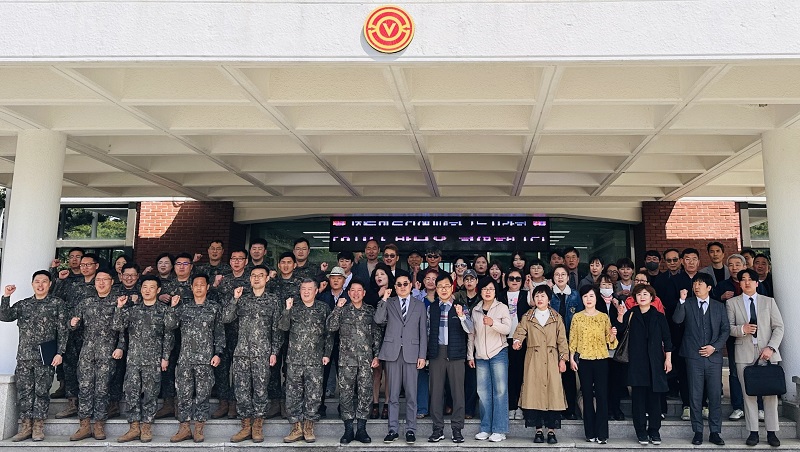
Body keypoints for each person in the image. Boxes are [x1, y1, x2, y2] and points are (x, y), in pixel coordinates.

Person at [1, 271, 67, 442]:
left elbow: (63, 330)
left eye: (44, 281)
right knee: (25, 392)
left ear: (50, 284)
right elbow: (4, 316)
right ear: (32, 284)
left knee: (41, 392)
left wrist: (60, 353)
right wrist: (6, 296)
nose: (40, 285)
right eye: (37, 281)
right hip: (24, 356)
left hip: (45, 357)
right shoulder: (24, 304)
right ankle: (25, 426)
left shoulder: (57, 303)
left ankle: (38, 426)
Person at [112, 275, 174, 443]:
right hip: (133, 359)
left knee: (151, 394)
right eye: (144, 287)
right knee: (131, 393)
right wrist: (119, 308)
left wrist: (165, 357)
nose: (147, 290)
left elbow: (168, 335)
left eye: (151, 287)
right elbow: (118, 327)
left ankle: (146, 427)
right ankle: (133, 427)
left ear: (158, 290)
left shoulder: (164, 310)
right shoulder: (133, 309)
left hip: (153, 360)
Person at [165, 273, 225, 443]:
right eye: (195, 285)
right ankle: (184, 428)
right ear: (191, 288)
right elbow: (170, 325)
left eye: (202, 285)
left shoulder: (214, 308)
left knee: (203, 395)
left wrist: (217, 353)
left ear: (207, 287)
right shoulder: (183, 307)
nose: (199, 288)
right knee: (183, 395)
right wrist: (172, 307)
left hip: (205, 360)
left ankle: (199, 428)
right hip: (185, 359)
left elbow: (219, 333)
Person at [225, 265, 281, 443]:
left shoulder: (273, 300)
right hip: (242, 352)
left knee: (260, 390)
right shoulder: (242, 299)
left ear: (266, 279)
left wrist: (274, 351)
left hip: (262, 353)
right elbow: (226, 318)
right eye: (254, 276)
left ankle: (257, 426)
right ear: (250, 279)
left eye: (260, 275)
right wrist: (234, 299)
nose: (256, 278)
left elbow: (277, 329)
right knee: (241, 391)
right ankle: (245, 426)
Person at [727, 268, 784, 447]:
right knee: (748, 394)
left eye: (750, 279)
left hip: (767, 352)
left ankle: (772, 432)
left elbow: (779, 327)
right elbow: (727, 327)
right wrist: (742, 330)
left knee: (770, 394)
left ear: (757, 283)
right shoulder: (732, 303)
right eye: (743, 279)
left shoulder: (768, 301)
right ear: (739, 283)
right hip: (743, 352)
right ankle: (753, 432)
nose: (747, 282)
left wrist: (771, 347)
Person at [673, 272, 729, 446]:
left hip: (714, 357)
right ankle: (697, 431)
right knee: (695, 395)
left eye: (701, 283)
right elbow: (677, 320)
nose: (696, 286)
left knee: (714, 395)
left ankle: (715, 432)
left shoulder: (719, 306)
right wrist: (681, 300)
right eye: (695, 283)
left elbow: (725, 330)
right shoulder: (688, 304)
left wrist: (714, 347)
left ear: (709, 287)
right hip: (693, 356)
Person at [68, 267, 122, 441]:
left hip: (107, 353)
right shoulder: (86, 302)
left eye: (105, 279)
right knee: (84, 389)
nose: (101, 282)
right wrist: (73, 323)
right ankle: (84, 426)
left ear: (112, 282)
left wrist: (120, 347)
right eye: (98, 280)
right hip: (87, 353)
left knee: (102, 389)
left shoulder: (118, 302)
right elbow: (73, 326)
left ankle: (99, 425)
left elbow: (123, 330)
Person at [374, 274, 427, 444]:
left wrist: (422, 355)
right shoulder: (389, 302)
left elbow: (423, 332)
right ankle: (393, 430)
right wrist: (384, 298)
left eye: (405, 284)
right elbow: (378, 319)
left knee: (412, 395)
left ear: (411, 285)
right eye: (399, 284)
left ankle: (411, 430)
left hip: (412, 353)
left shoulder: (419, 305)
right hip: (392, 352)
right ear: (395, 287)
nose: (403, 286)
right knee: (393, 395)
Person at [328, 279, 382, 444]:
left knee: (365, 394)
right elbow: (330, 327)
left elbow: (377, 335)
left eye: (360, 290)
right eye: (353, 290)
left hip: (366, 361)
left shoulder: (370, 311)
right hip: (346, 360)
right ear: (349, 292)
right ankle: (348, 429)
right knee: (346, 395)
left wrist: (377, 355)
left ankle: (362, 429)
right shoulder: (342, 310)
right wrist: (337, 308)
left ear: (364, 293)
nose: (356, 293)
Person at [512, 285, 568, 444]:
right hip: (534, 359)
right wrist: (517, 341)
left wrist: (563, 359)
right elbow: (520, 331)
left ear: (549, 299)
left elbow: (562, 340)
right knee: (534, 394)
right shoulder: (528, 316)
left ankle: (551, 431)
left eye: (543, 296)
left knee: (552, 393)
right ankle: (537, 430)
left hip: (551, 358)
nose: (540, 299)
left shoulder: (556, 317)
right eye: (537, 296)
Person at [278, 278, 332, 443]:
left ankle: (308, 427)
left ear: (316, 291)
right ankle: (296, 428)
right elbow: (283, 327)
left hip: (315, 360)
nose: (306, 292)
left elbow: (329, 333)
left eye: (310, 289)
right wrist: (287, 309)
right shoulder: (293, 308)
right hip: (294, 359)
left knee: (313, 395)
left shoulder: (323, 308)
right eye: (303, 289)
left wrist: (327, 353)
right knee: (292, 395)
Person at [618, 284, 673, 446]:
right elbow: (620, 331)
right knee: (638, 399)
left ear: (651, 298)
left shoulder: (659, 316)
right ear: (634, 298)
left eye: (646, 294)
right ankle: (641, 432)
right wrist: (620, 316)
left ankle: (654, 431)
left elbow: (668, 340)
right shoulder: (630, 314)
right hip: (636, 363)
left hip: (656, 362)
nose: (642, 297)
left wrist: (668, 359)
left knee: (655, 399)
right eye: (639, 294)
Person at [427, 273, 473, 443]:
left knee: (457, 393)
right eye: (440, 287)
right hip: (437, 353)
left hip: (456, 354)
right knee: (436, 393)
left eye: (447, 286)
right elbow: (426, 331)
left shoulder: (460, 306)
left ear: (452, 287)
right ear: (436, 289)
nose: (444, 289)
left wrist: (461, 316)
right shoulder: (431, 308)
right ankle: (437, 429)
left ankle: (457, 429)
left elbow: (470, 329)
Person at [570, 286, 618, 444]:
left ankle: (602, 434)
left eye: (591, 296)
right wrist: (571, 358)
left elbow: (610, 342)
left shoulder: (604, 317)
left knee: (602, 396)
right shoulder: (577, 317)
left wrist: (612, 335)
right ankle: (589, 432)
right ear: (582, 299)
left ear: (596, 298)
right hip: (584, 360)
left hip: (601, 360)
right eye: (585, 296)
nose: (588, 299)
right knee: (587, 396)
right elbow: (573, 340)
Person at [54, 253, 99, 419]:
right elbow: (56, 299)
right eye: (83, 265)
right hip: (72, 333)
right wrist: (60, 280)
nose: (85, 267)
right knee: (70, 367)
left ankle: (93, 405)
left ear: (96, 266)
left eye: (89, 264)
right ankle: (72, 403)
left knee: (92, 371)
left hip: (94, 335)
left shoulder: (101, 284)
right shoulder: (73, 284)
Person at [467, 277, 511, 442]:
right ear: (480, 290)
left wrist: (493, 323)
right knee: (483, 393)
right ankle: (486, 428)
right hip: (480, 356)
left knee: (500, 391)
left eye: (491, 289)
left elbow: (507, 329)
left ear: (495, 291)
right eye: (485, 289)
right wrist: (470, 355)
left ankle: (499, 430)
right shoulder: (476, 309)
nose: (487, 291)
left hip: (498, 352)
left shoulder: (502, 308)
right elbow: (472, 335)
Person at [549, 264, 582, 419]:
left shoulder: (576, 295)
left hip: (571, 340)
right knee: (554, 376)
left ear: (568, 278)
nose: (560, 277)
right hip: (552, 340)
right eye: (557, 274)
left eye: (563, 274)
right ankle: (556, 409)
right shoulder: (548, 295)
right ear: (553, 278)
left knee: (569, 376)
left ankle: (570, 409)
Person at [500, 269, 530, 420]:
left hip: (521, 340)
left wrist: (530, 288)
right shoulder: (500, 295)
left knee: (519, 373)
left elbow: (535, 304)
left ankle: (519, 406)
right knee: (506, 375)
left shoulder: (526, 295)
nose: (514, 281)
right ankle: (509, 406)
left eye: (518, 279)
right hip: (503, 339)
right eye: (511, 278)